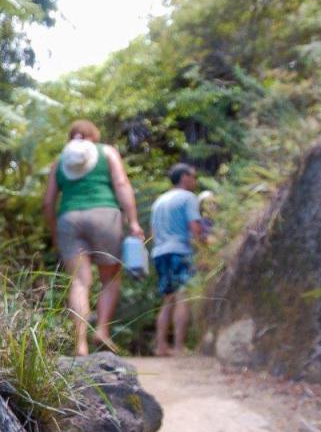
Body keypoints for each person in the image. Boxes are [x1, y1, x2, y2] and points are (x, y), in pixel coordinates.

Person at [44, 120, 144, 357]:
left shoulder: (60, 161)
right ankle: (101, 330)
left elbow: (48, 201)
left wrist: (55, 232)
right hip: (104, 215)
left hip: (68, 219)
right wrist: (133, 221)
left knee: (79, 282)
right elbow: (121, 183)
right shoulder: (107, 152)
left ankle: (80, 344)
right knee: (110, 277)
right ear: (93, 136)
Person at [151, 163, 204, 356]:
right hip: (180, 251)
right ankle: (179, 347)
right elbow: (195, 228)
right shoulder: (188, 198)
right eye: (193, 177)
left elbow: (153, 232)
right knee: (184, 297)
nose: (195, 181)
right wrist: (203, 251)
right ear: (184, 178)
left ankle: (161, 346)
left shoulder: (159, 201)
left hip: (160, 252)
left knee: (167, 299)